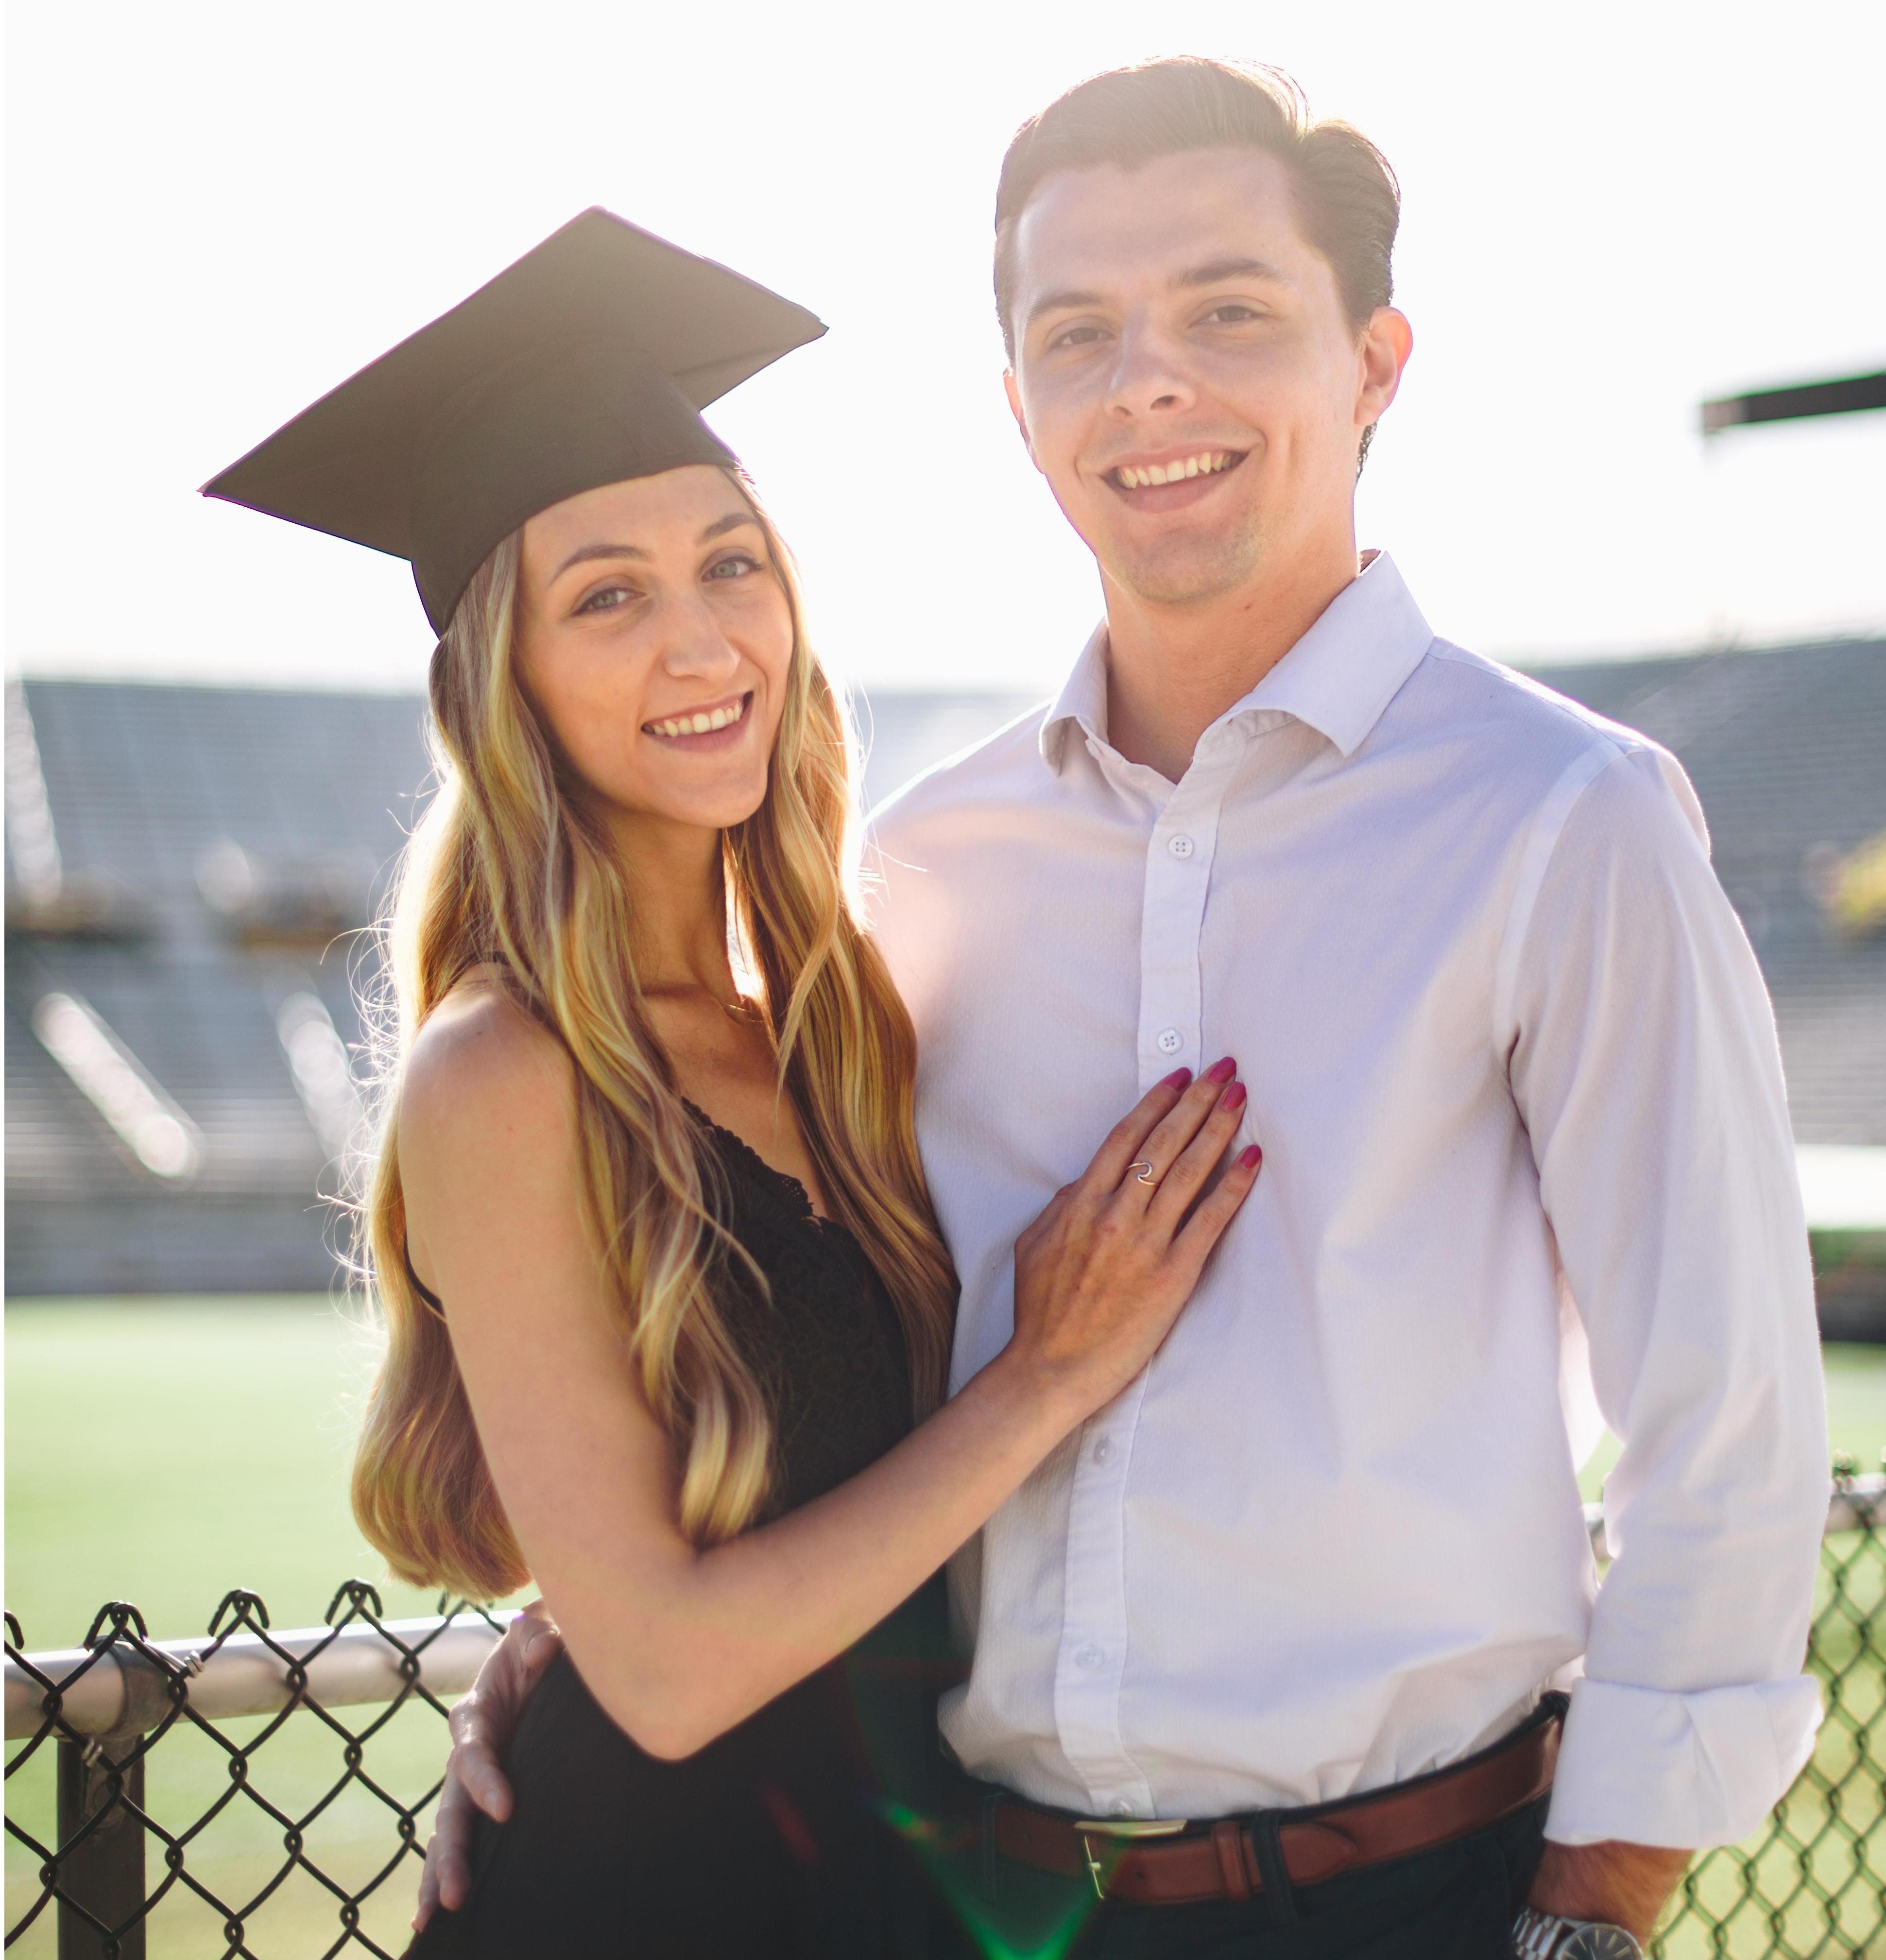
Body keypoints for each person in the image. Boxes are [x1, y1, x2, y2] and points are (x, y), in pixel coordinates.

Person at [426, 60, 1832, 1960]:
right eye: (1079, 333)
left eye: (1229, 313)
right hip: (969, 1900)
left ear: (1376, 362)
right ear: (1020, 412)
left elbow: (1726, 1422)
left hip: (1401, 1895)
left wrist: (1596, 1913)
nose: (1148, 381)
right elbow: (838, 1351)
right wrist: (612, 1620)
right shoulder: (923, 877)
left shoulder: (1563, 824)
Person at [206, 206, 1262, 1959]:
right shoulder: (503, 1072)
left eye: (731, 563)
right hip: (649, 1895)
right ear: (506, 681)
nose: (704, 645)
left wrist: (601, 1593)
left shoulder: (845, 1020)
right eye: (606, 596)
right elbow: (675, 1675)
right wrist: (1047, 1372)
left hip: (892, 1872)